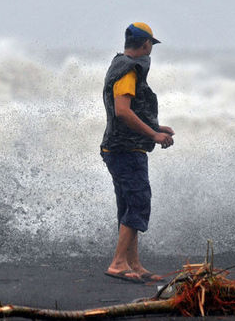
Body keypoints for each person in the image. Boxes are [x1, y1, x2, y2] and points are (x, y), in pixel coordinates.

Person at [100, 22, 174, 283]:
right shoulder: (130, 70)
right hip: (125, 150)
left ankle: (133, 264)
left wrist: (155, 126)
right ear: (145, 45)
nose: (150, 50)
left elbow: (129, 110)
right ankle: (118, 263)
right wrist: (153, 135)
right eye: (151, 45)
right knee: (139, 202)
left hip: (118, 147)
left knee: (129, 204)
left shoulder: (119, 64)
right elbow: (122, 111)